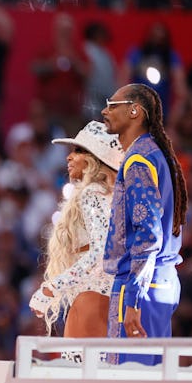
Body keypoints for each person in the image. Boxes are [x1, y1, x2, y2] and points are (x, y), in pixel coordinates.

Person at [101, 83, 188, 365]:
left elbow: (148, 235)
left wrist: (133, 300)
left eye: (112, 105)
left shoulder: (139, 159)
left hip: (140, 289)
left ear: (135, 111)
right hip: (161, 282)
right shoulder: (160, 155)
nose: (105, 110)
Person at [29, 121, 124, 338]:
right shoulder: (111, 196)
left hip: (91, 301)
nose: (69, 157)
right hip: (106, 300)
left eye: (79, 150)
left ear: (95, 159)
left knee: (79, 369)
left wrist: (51, 289)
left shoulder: (92, 193)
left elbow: (100, 253)